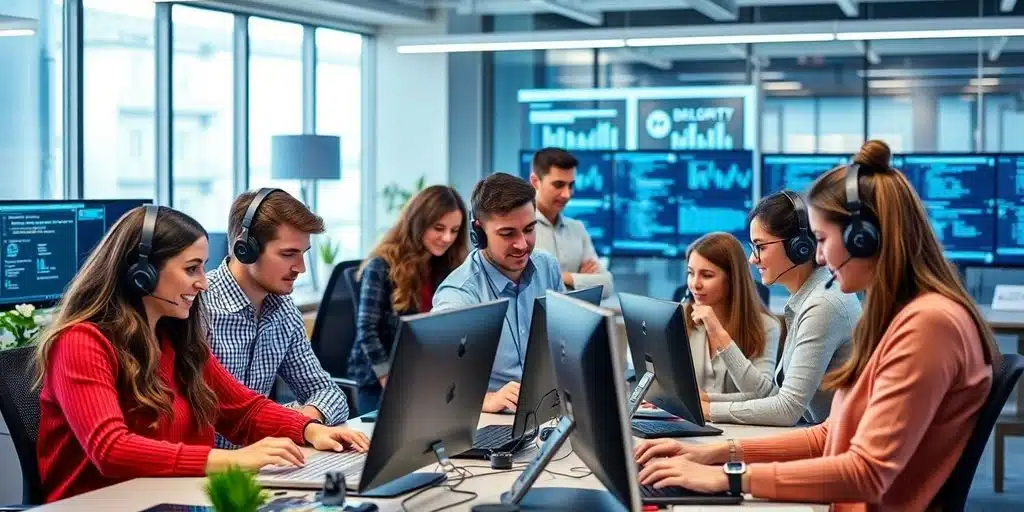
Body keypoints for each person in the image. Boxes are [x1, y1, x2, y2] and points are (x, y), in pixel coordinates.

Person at [633, 140, 998, 510]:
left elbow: (866, 474)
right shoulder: (899, 317)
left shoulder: (929, 325)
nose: (819, 255)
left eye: (822, 239)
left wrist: (731, 478)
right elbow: (827, 434)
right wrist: (716, 453)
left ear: (863, 239)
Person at [34, 206, 369, 503]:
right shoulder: (81, 342)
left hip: (172, 499)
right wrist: (233, 459)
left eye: (202, 267)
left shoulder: (173, 338)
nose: (203, 282)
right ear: (142, 273)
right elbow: (112, 449)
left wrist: (310, 429)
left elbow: (243, 410)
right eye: (191, 268)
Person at [699, 189, 862, 426]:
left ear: (800, 247)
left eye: (761, 247)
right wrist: (704, 401)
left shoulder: (823, 305)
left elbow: (787, 409)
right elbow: (774, 394)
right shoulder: (808, 297)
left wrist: (710, 410)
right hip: (816, 435)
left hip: (832, 446)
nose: (752, 259)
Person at [205, 188, 349, 437]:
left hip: (265, 461)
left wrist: (301, 423)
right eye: (288, 254)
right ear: (245, 249)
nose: (301, 268)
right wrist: (287, 422)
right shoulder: (198, 307)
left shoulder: (283, 311)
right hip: (205, 467)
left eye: (303, 254)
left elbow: (329, 393)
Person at [433, 172, 565, 413]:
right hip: (495, 423)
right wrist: (486, 399)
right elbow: (433, 380)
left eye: (529, 229)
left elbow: (566, 344)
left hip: (549, 410)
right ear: (479, 232)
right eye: (508, 234)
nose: (522, 244)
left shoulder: (547, 267)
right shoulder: (459, 295)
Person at [350, 185, 469, 413]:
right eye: (439, 228)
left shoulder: (446, 265)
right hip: (380, 381)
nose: (447, 238)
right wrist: (390, 381)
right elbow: (366, 331)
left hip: (423, 376)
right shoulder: (381, 266)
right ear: (418, 223)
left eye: (454, 230)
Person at [681, 232, 781, 398]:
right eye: (691, 273)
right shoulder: (682, 317)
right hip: (684, 422)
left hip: (737, 424)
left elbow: (762, 395)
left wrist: (718, 332)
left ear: (733, 279)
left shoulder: (766, 326)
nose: (695, 284)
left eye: (707, 275)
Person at [529, 147, 614, 299]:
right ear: (535, 181)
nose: (567, 194)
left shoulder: (577, 229)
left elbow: (606, 285)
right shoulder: (522, 230)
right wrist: (582, 280)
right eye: (558, 185)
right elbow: (529, 287)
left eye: (571, 185)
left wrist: (566, 277)